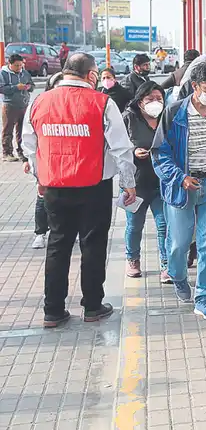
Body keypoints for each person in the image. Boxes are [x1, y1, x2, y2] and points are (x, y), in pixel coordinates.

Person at [22, 53, 137, 328]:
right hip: (94, 186)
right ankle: (93, 306)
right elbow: (121, 148)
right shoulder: (102, 103)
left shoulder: (39, 101)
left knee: (58, 245)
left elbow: (29, 145)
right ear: (92, 75)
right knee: (93, 245)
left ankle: (53, 310)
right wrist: (128, 183)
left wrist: (40, 177)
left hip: (54, 186)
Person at [152, 62, 206, 321]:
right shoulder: (174, 112)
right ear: (195, 86)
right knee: (179, 243)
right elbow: (160, 153)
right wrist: (180, 178)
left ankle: (204, 297)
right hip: (182, 187)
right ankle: (177, 276)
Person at [122, 81, 169, 281]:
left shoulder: (167, 117)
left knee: (164, 224)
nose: (155, 102)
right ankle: (132, 259)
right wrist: (134, 151)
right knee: (134, 225)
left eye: (159, 98)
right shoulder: (129, 118)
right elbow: (117, 147)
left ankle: (166, 264)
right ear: (140, 101)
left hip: (162, 181)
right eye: (150, 99)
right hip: (136, 183)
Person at [27, 72, 64, 249]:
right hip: (46, 161)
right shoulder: (40, 105)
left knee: (66, 201)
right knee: (42, 198)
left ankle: (66, 230)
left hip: (67, 161)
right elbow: (29, 137)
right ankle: (40, 233)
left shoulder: (72, 105)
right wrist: (29, 161)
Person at [0, 53, 34, 162]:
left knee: (22, 130)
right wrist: (16, 88)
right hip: (9, 105)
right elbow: (2, 88)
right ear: (10, 64)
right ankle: (7, 153)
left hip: (23, 105)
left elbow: (32, 85)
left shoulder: (25, 73)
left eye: (20, 65)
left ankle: (22, 151)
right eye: (16, 65)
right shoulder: (3, 73)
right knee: (8, 129)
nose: (19, 67)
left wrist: (28, 87)